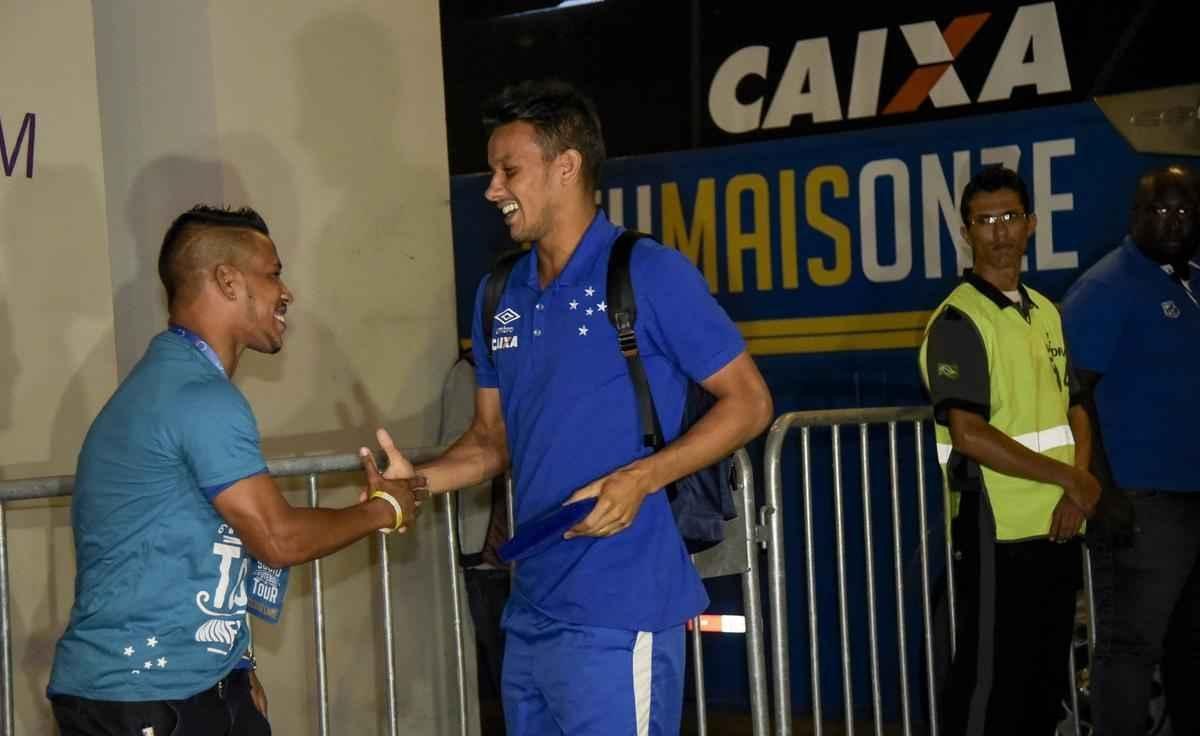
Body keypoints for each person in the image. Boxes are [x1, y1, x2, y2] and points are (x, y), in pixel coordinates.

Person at [373, 79, 773, 735]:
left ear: (567, 167)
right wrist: (416, 480)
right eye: (492, 171)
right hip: (529, 609)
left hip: (623, 608)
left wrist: (639, 479)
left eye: (509, 170)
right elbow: (490, 440)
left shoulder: (650, 272)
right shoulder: (499, 290)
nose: (492, 189)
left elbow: (751, 403)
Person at [46, 205, 427, 736]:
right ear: (227, 280)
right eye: (272, 274)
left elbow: (214, 543)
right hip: (143, 695)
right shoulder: (196, 396)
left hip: (189, 687)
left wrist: (237, 666)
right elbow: (276, 537)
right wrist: (385, 509)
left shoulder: (179, 385)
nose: (286, 292)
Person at [919, 165, 1100, 734]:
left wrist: (1077, 484)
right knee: (988, 679)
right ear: (968, 232)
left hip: (1058, 523)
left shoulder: (1045, 311)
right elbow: (969, 433)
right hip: (994, 526)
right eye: (985, 220)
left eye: (1010, 217)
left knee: (1045, 678)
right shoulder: (958, 319)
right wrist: (1071, 480)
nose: (999, 231)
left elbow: (1075, 408)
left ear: (1032, 225)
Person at [1061, 164, 1200, 735]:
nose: (1173, 220)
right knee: (1128, 650)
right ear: (1135, 217)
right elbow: (1072, 394)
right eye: (1159, 210)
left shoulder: (1189, 280)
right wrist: (1102, 490)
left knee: (1190, 643)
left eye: (1185, 209)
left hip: (1191, 495)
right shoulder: (1105, 287)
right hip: (1141, 504)